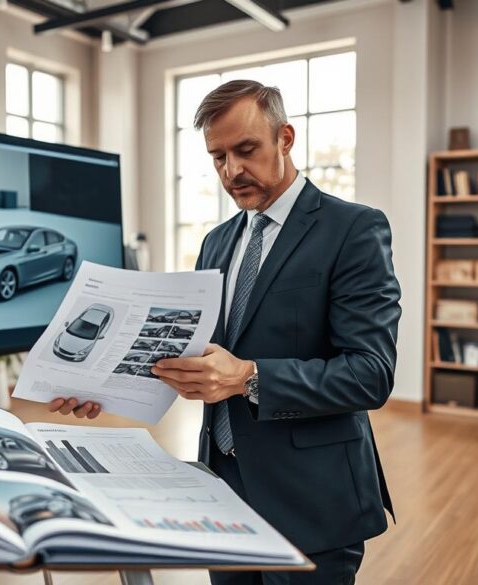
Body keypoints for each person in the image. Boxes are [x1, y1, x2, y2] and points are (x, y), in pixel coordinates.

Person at [49, 79, 401, 584]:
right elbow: (199, 357)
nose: (232, 171)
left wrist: (249, 377)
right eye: (218, 157)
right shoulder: (217, 242)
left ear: (286, 138)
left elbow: (371, 374)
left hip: (313, 499)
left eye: (246, 149)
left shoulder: (354, 230)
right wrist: (100, 387)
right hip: (224, 490)